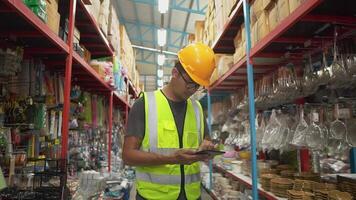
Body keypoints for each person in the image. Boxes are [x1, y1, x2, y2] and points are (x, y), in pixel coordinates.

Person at [123, 42, 217, 200]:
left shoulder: (197, 108)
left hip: (192, 196)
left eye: (198, 86)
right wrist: (171, 159)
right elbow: (128, 155)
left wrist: (207, 147)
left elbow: (206, 140)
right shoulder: (145, 104)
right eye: (190, 84)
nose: (193, 90)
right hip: (153, 197)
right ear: (175, 73)